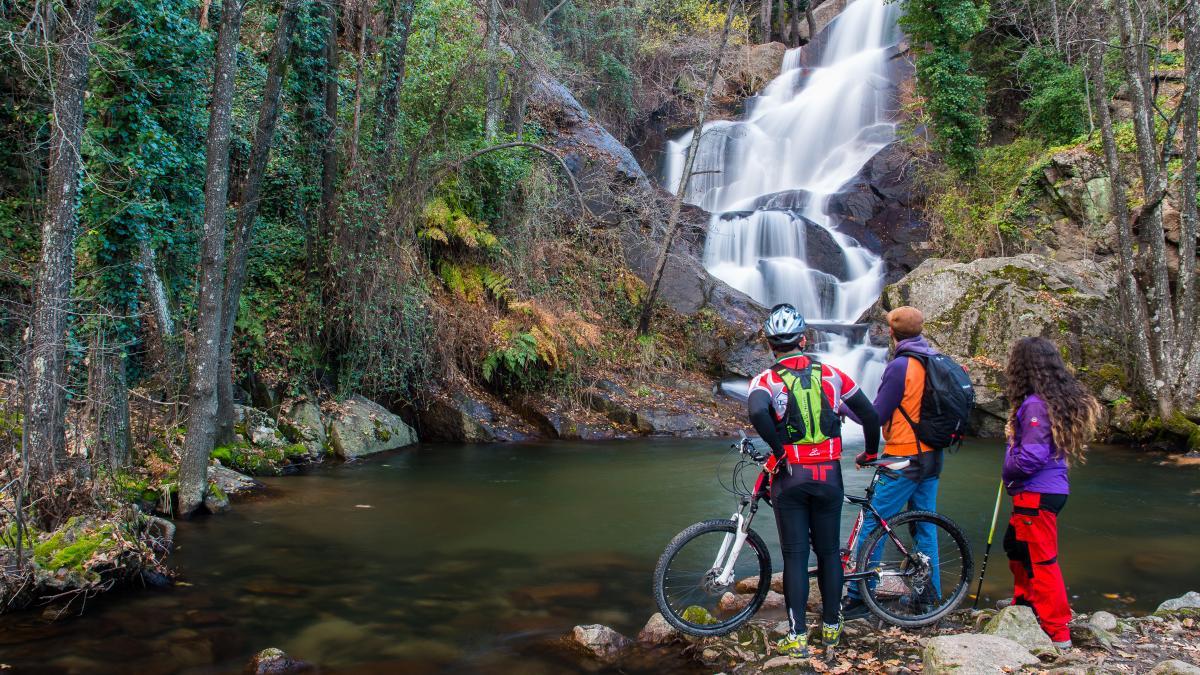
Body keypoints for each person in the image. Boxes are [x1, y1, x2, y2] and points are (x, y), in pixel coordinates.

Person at [747, 303, 881, 657]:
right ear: (804, 340)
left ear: (770, 345)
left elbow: (758, 412)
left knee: (794, 556)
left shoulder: (766, 380)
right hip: (828, 476)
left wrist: (779, 451)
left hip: (790, 478)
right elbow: (870, 416)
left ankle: (797, 636)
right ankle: (833, 629)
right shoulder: (835, 375)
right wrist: (869, 453)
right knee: (828, 553)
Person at [842, 306, 945, 619]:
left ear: (891, 333)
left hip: (903, 458)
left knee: (873, 523)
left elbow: (876, 415)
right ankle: (929, 598)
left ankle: (860, 598)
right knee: (925, 526)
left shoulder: (901, 366)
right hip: (932, 456)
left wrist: (839, 407)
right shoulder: (933, 362)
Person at [1000, 336, 1100, 648]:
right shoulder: (1054, 401)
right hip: (1049, 489)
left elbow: (1031, 456)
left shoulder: (1034, 406)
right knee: (1015, 546)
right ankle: (1024, 602)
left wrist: (1009, 468)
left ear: (1024, 367)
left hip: (1036, 493)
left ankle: (1058, 630)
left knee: (1041, 560)